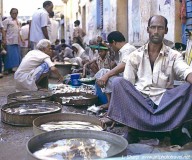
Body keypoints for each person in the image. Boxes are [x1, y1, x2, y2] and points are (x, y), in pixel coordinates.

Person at [105, 15, 192, 141]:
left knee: (188, 87)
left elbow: (185, 70)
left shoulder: (174, 55)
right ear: (148, 29)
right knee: (118, 82)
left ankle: (175, 131)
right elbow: (127, 85)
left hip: (165, 103)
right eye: (153, 27)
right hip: (140, 101)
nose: (156, 31)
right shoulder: (134, 55)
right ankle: (133, 129)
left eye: (160, 28)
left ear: (166, 30)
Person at [95, 31, 136, 110]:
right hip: (125, 77)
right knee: (103, 71)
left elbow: (124, 65)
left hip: (131, 81)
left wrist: (107, 76)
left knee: (108, 76)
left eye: (110, 45)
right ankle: (110, 102)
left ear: (113, 42)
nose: (111, 48)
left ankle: (113, 105)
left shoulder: (128, 49)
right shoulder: (123, 50)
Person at [3, 8, 23, 74]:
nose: (14, 14)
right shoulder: (7, 21)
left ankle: (10, 69)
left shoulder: (18, 21)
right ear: (10, 13)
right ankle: (6, 69)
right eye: (13, 13)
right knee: (8, 56)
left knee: (15, 56)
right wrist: (4, 40)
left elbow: (19, 32)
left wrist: (21, 40)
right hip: (9, 41)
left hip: (16, 41)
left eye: (16, 13)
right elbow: (4, 30)